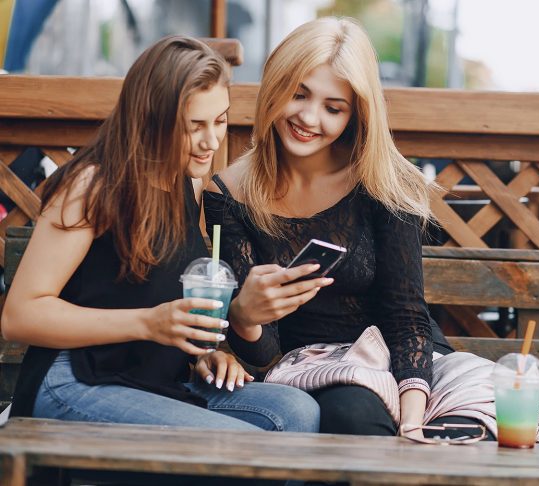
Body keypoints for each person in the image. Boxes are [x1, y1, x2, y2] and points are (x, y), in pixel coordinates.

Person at [1, 36, 319, 438]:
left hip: (152, 380)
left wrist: (204, 355)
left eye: (220, 120)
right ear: (151, 119)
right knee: (245, 448)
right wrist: (148, 324)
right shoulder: (93, 186)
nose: (212, 141)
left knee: (296, 412)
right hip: (74, 382)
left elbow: (152, 294)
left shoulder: (187, 183)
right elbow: (19, 316)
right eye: (194, 126)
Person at [204, 17, 493, 440]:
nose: (308, 116)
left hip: (403, 363)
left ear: (355, 113)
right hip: (313, 370)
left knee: (464, 429)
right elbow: (265, 355)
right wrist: (245, 316)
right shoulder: (230, 194)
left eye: (332, 108)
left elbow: (407, 315)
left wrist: (413, 420)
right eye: (298, 94)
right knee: (350, 412)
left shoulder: (384, 181)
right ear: (275, 86)